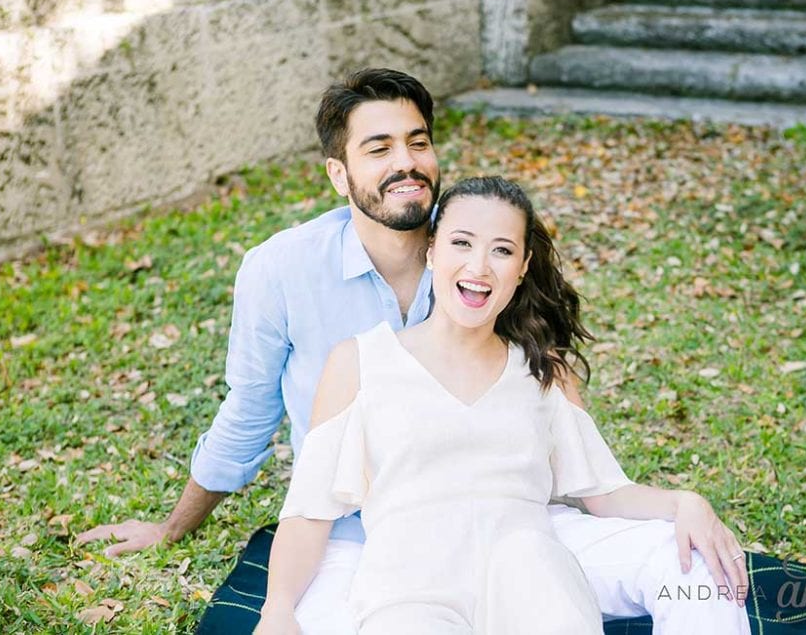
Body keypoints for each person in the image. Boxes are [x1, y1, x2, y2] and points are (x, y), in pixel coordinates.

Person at [76, 68, 749, 633]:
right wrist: (176, 529)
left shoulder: (486, 269)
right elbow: (254, 419)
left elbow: (594, 483)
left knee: (688, 567)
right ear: (339, 174)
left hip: (520, 532)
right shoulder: (289, 278)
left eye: (417, 141)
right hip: (366, 538)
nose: (404, 161)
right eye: (378, 147)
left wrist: (679, 500)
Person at [255, 176, 750, 634]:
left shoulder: (540, 369)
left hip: (530, 571)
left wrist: (686, 502)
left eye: (502, 250)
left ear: (522, 268)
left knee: (698, 563)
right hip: (410, 587)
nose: (478, 267)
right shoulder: (361, 361)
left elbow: (604, 492)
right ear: (431, 251)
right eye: (462, 243)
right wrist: (278, 607)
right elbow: (308, 513)